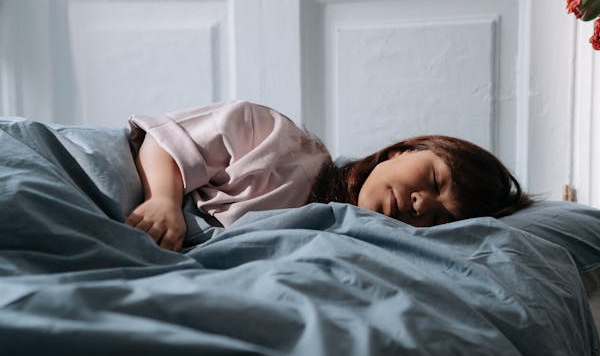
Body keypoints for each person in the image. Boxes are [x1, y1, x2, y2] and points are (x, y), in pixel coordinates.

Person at [126, 100, 532, 251]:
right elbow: (166, 139)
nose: (422, 205)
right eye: (435, 181)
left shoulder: (348, 246)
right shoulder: (274, 139)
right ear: (402, 150)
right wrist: (163, 200)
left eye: (441, 218)